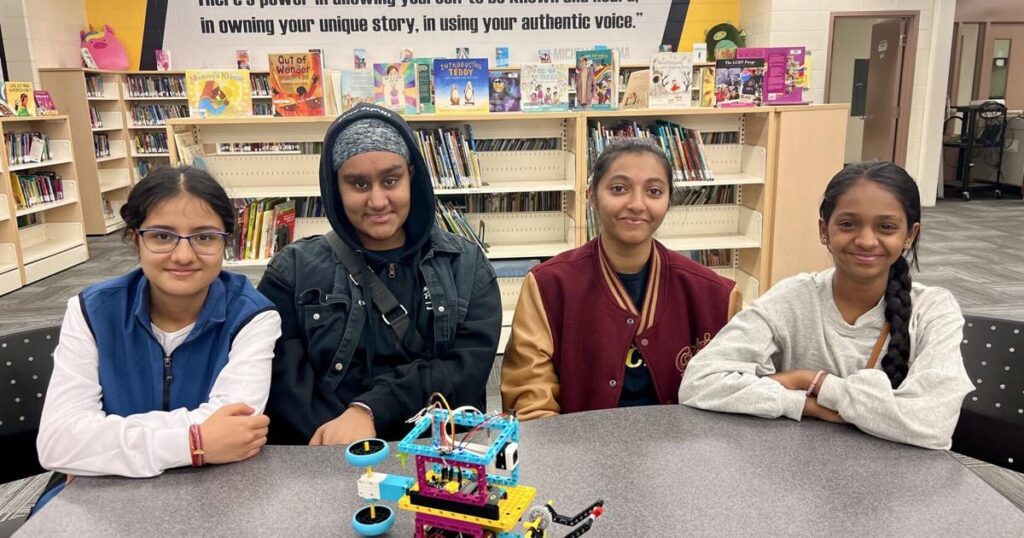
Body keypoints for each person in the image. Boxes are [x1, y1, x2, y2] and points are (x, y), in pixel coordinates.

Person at [679, 161, 975, 450]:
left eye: (886, 227)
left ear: (909, 235)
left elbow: (932, 425)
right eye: (848, 224)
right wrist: (804, 405)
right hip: (798, 473)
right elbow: (699, 383)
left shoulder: (933, 310)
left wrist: (812, 381)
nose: (866, 240)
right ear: (824, 230)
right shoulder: (792, 298)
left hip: (898, 486)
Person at [35, 167, 280, 504]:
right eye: (162, 236)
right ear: (136, 239)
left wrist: (100, 450)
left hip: (208, 493)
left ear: (226, 242)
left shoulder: (253, 316)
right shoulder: (91, 311)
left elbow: (236, 428)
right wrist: (194, 443)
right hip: (99, 497)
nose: (183, 255)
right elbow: (58, 442)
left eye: (205, 236)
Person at [259, 103, 501, 445]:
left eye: (390, 180)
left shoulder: (465, 264)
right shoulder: (291, 272)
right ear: (334, 187)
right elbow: (283, 384)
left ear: (411, 177)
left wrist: (368, 411)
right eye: (358, 184)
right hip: (330, 456)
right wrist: (345, 440)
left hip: (435, 456)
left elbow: (465, 371)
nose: (377, 200)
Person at [501, 138, 740, 420]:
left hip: (683, 453)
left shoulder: (717, 295)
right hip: (578, 452)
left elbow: (734, 391)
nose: (637, 204)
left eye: (653, 191)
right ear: (592, 196)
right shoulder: (548, 286)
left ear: (668, 200)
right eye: (619, 189)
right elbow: (530, 400)